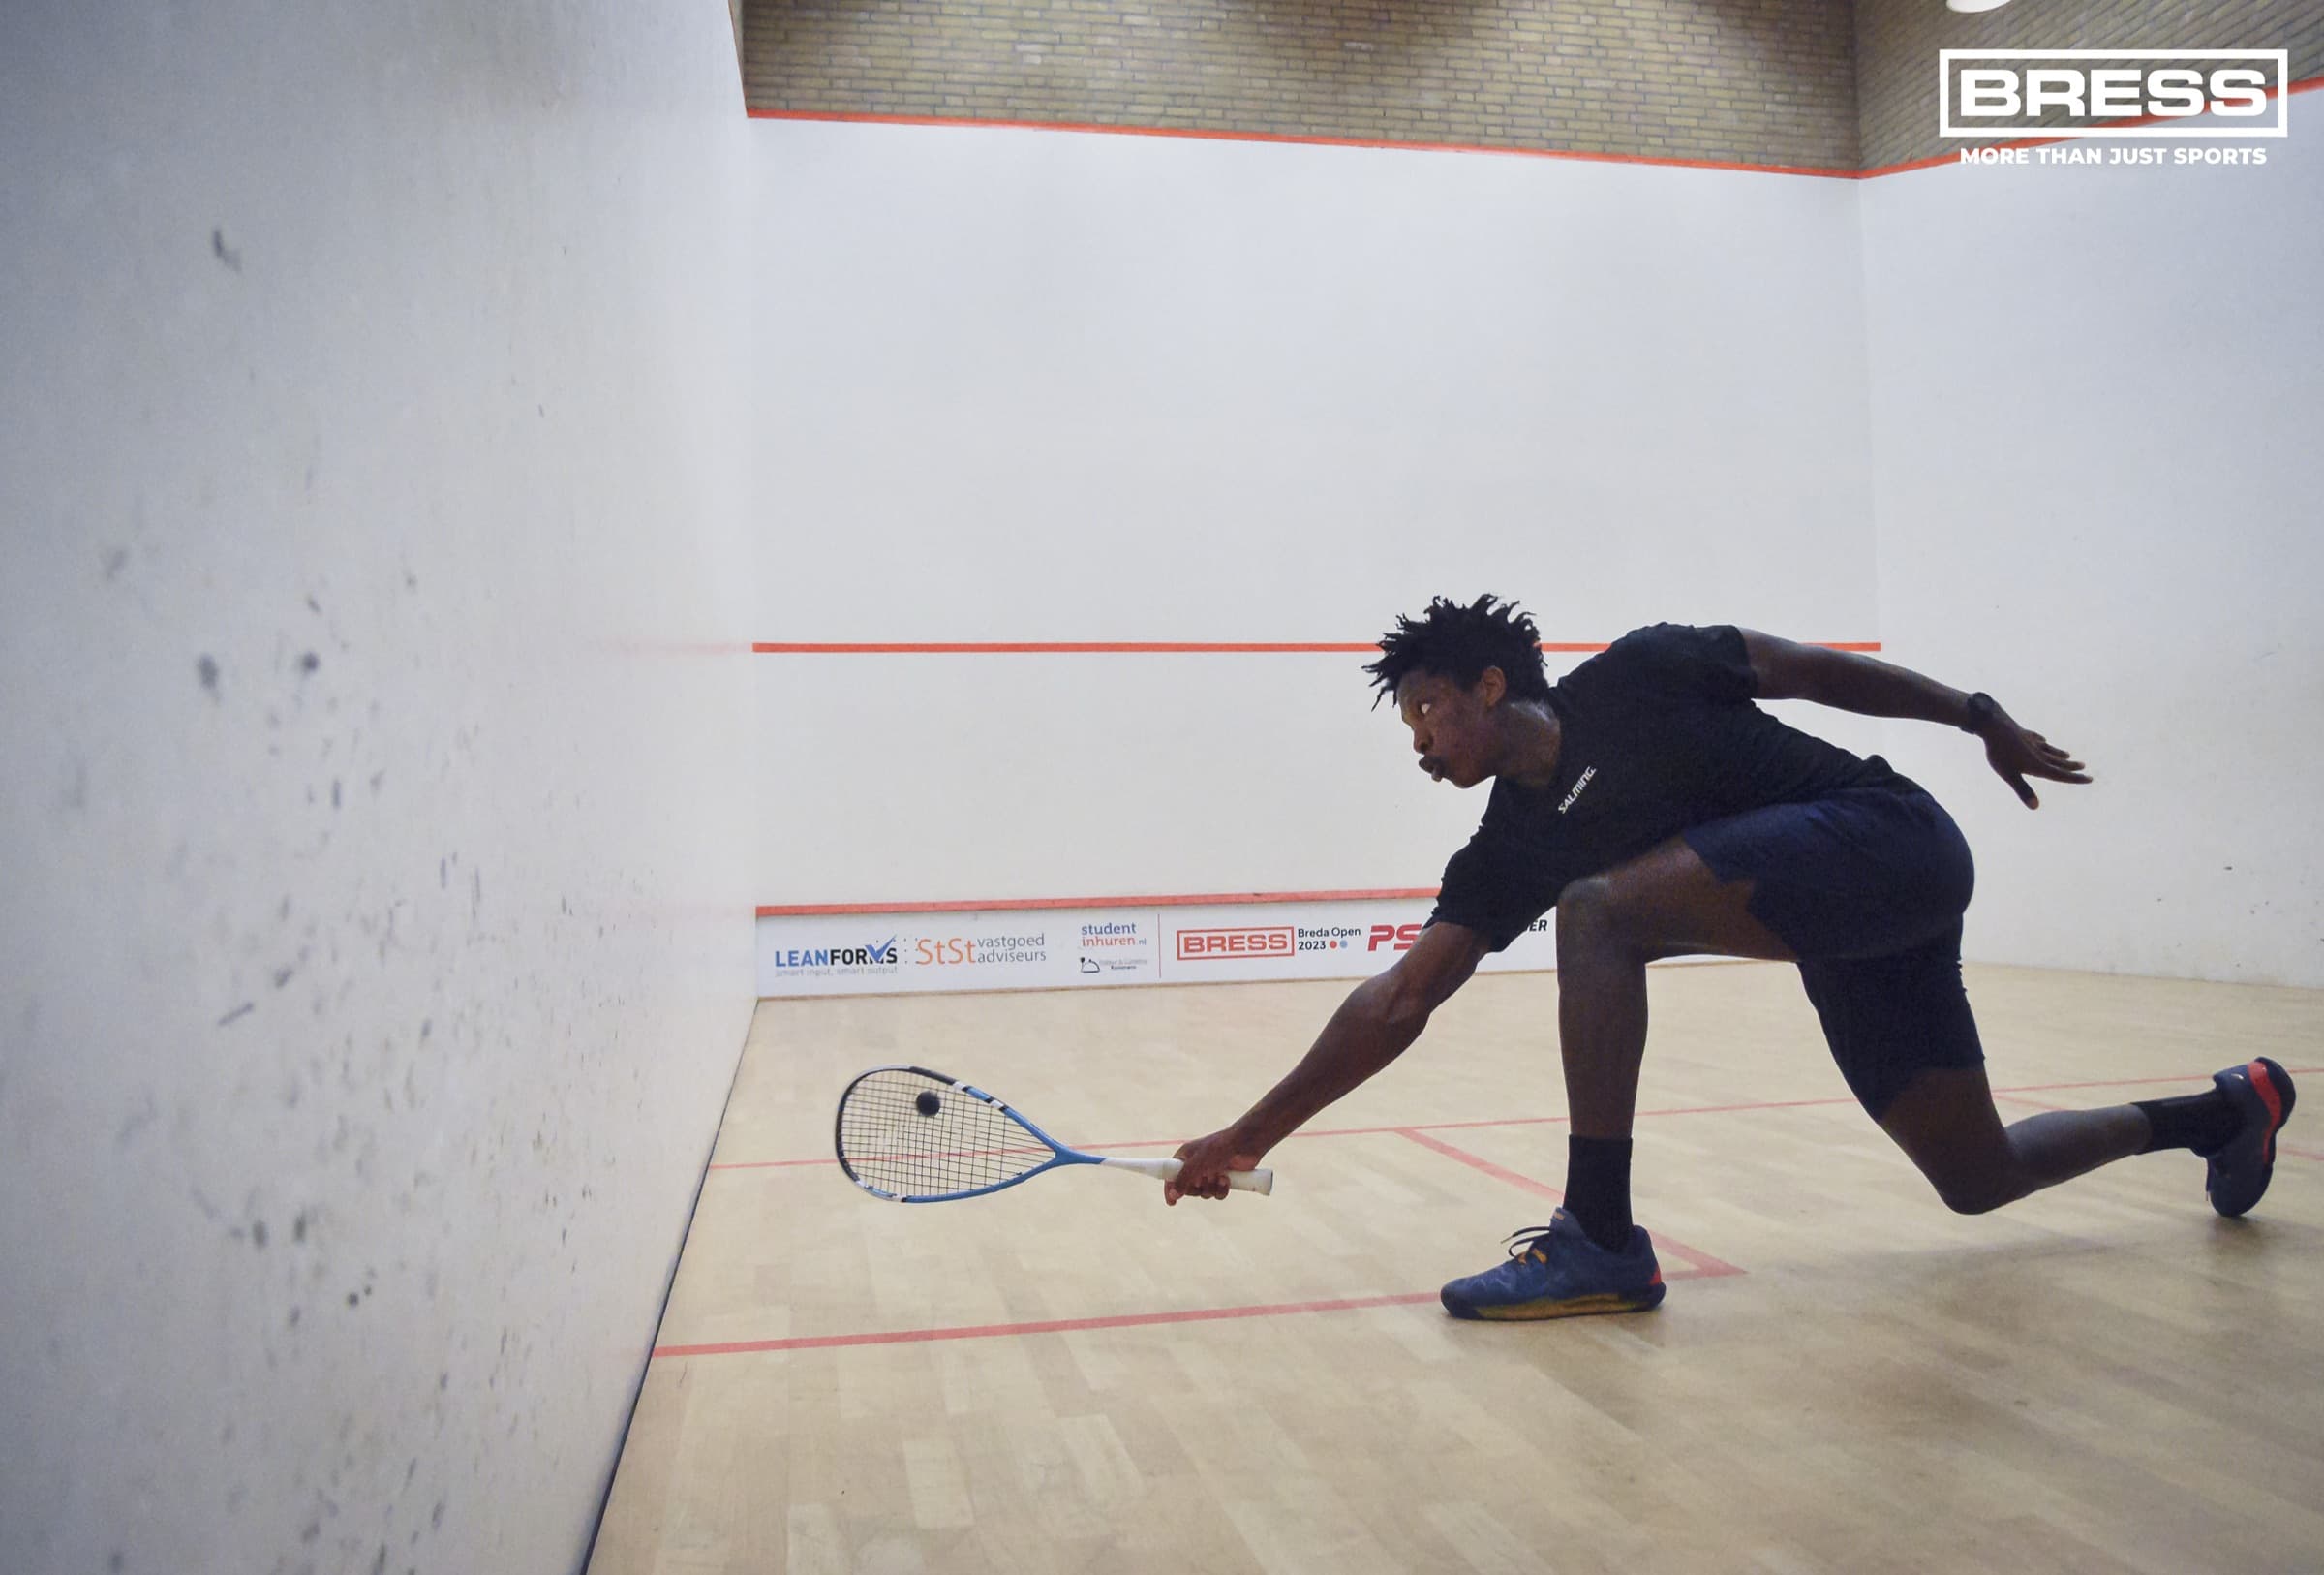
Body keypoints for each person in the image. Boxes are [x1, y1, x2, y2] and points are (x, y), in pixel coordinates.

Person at [1163, 595, 2297, 1320]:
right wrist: (1248, 1135)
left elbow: (1811, 669)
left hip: (1894, 839)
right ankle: (2226, 1111)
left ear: (1489, 688)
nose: (1417, 740)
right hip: (1855, 931)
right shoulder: (1506, 850)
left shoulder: (1645, 672)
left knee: (1598, 911)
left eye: (1424, 710)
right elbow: (1402, 999)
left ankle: (1598, 1236)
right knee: (1977, 1177)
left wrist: (1974, 713)